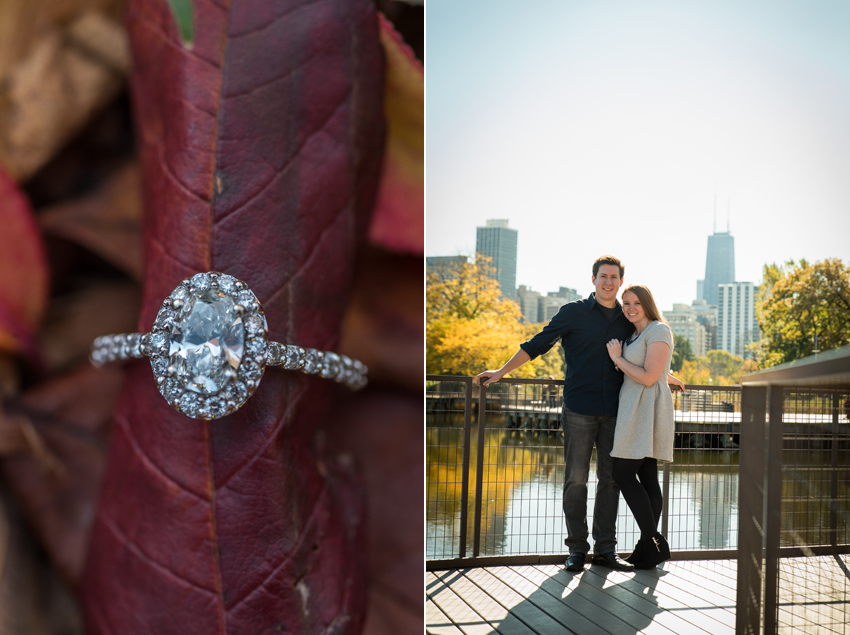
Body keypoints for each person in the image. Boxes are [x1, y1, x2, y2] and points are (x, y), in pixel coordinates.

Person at [475, 256, 685, 572]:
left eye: (615, 277)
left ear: (620, 280)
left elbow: (643, 352)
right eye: (603, 276)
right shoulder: (572, 313)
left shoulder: (628, 316)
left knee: (611, 482)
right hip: (579, 410)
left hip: (617, 413)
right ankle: (576, 549)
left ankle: (605, 551)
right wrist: (502, 371)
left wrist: (665, 375)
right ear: (593, 279)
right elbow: (536, 345)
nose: (608, 282)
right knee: (575, 480)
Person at [605, 284, 677, 569]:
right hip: (633, 407)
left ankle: (652, 541)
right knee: (647, 477)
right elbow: (657, 369)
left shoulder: (658, 330)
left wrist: (617, 358)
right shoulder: (635, 334)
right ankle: (647, 548)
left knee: (622, 473)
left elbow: (648, 377)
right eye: (626, 303)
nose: (630, 307)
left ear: (647, 304)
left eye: (635, 302)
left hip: (646, 408)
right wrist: (671, 377)